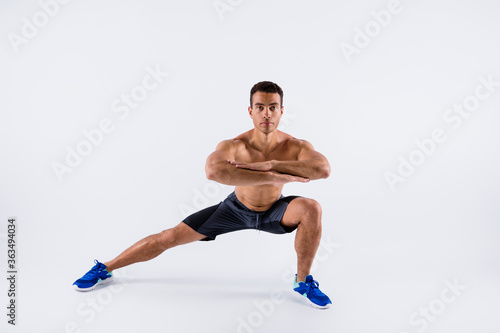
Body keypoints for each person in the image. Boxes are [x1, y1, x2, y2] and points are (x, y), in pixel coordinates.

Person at [73, 81, 332, 309]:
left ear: (282, 111)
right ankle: (105, 268)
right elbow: (214, 171)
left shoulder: (296, 146)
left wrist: (270, 164)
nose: (267, 114)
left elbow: (322, 168)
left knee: (312, 208)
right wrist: (273, 177)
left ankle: (303, 282)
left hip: (275, 211)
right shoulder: (235, 146)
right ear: (250, 111)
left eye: (273, 107)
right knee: (169, 237)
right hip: (235, 210)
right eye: (261, 107)